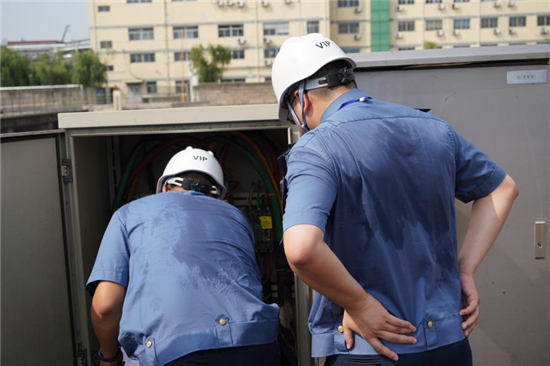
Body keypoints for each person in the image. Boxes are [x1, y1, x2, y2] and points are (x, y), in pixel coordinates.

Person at [271, 34, 518, 365]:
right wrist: (465, 270)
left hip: (372, 348)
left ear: (301, 99)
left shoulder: (317, 147)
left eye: (292, 115)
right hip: (449, 345)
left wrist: (359, 304)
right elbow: (502, 189)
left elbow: (301, 249)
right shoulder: (434, 128)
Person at [87, 146, 280, 366]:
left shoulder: (128, 215)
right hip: (257, 342)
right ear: (216, 193)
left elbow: (105, 306)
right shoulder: (237, 217)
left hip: (176, 352)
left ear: (166, 186)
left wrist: (109, 357)